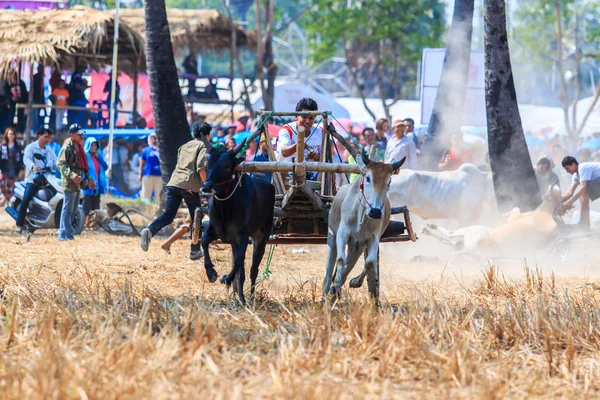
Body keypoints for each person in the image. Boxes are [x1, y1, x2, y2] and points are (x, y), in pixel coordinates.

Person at [140, 122, 209, 260]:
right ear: (206, 135)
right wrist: (206, 185)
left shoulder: (184, 146)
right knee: (197, 218)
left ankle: (150, 230)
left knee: (168, 215)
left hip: (173, 183)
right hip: (188, 186)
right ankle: (195, 250)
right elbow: (200, 167)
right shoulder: (202, 146)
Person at [57, 124, 95, 241]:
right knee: (67, 209)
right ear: (72, 134)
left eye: (81, 134)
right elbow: (60, 164)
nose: (81, 136)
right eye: (78, 134)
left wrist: (88, 179)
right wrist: (72, 175)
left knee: (73, 209)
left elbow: (83, 167)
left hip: (78, 183)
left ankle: (67, 233)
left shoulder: (79, 147)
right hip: (69, 183)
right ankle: (64, 234)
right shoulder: (67, 147)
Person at [16, 128, 57, 234]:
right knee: (25, 200)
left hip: (48, 178)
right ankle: (19, 227)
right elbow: (26, 159)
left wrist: (51, 165)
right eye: (45, 137)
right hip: (34, 178)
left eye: (48, 137)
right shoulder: (31, 147)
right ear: (39, 136)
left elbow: (56, 161)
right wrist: (33, 166)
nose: (47, 139)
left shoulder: (49, 150)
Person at [561, 156, 600, 229]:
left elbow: (583, 187)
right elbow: (569, 194)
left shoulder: (582, 167)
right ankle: (584, 223)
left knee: (583, 192)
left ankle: (584, 224)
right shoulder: (575, 176)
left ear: (573, 165)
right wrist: (559, 202)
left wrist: (570, 202)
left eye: (567, 168)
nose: (567, 171)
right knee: (582, 194)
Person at [82, 137, 108, 226]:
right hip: (88, 184)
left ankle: (94, 223)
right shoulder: (85, 155)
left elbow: (105, 167)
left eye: (95, 145)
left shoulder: (98, 155)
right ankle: (85, 223)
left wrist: (99, 158)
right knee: (86, 204)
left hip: (97, 185)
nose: (93, 147)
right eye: (92, 145)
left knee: (95, 204)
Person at [0, 127, 24, 203]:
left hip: (13, 168)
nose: (11, 135)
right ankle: (5, 198)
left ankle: (7, 201)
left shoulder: (18, 146)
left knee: (10, 186)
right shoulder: (3, 146)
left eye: (13, 134)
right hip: (4, 168)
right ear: (7, 135)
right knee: (2, 184)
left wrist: (22, 169)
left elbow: (21, 158)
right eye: (10, 133)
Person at [139, 133, 162, 203]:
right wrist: (140, 174)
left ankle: (158, 209)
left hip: (159, 175)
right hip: (148, 174)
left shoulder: (161, 150)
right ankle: (145, 209)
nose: (153, 140)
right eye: (151, 138)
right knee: (146, 194)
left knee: (159, 195)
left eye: (155, 138)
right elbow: (142, 162)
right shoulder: (146, 150)